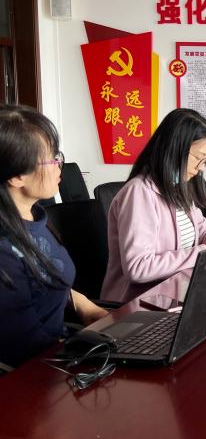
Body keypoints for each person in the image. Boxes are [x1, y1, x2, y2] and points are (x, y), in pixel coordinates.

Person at [101, 109, 206, 303]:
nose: (201, 168)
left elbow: (205, 233)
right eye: (199, 158)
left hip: (176, 295)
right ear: (175, 149)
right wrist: (204, 251)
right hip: (139, 306)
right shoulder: (139, 193)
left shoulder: (178, 188)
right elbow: (138, 267)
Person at [0, 105, 108, 368]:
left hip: (59, 352)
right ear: (17, 176)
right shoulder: (4, 250)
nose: (60, 165)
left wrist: (82, 304)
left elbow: (44, 275)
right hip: (34, 373)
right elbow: (24, 346)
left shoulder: (35, 217)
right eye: (51, 159)